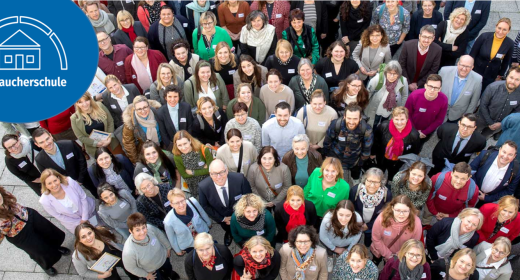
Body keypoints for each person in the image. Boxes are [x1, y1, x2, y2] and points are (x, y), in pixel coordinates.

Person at [0, 187, 69, 277]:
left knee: (49, 233)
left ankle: (56, 247)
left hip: (28, 215)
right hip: (18, 234)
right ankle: (45, 265)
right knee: (38, 250)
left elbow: (13, 200)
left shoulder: (3, 194)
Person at [198, 159, 252, 246]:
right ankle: (230, 233)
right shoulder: (203, 187)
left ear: (227, 171)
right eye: (214, 173)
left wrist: (237, 217)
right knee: (228, 228)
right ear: (210, 174)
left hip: (241, 215)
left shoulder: (240, 179)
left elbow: (248, 198)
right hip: (223, 218)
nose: (218, 177)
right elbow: (205, 205)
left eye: (221, 172)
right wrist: (222, 218)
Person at [33, 128, 98, 198]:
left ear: (51, 136)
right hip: (64, 185)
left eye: (47, 139)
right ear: (37, 144)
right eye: (41, 142)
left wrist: (80, 179)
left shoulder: (69, 144)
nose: (46, 143)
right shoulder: (39, 160)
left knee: (94, 190)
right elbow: (48, 177)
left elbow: (81, 160)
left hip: (83, 176)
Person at [323, 104, 373, 185]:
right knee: (334, 180)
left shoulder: (366, 129)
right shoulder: (336, 125)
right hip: (336, 158)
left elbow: (366, 150)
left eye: (355, 119)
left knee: (355, 180)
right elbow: (327, 142)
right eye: (349, 118)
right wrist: (328, 157)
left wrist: (359, 163)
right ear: (344, 116)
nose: (352, 122)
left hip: (355, 160)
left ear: (360, 118)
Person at [122, 213, 180, 280]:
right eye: (137, 230)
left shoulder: (150, 228)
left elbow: (159, 234)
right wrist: (146, 275)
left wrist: (168, 247)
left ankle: (169, 274)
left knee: (168, 269)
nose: (142, 232)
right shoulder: (129, 251)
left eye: (143, 227)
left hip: (163, 258)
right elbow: (130, 267)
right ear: (131, 231)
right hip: (150, 271)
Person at [72, 222, 139, 280]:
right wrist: (102, 276)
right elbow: (83, 273)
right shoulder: (78, 256)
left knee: (130, 270)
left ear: (93, 231)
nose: (88, 238)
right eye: (83, 237)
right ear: (79, 240)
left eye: (89, 233)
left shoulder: (102, 232)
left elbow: (114, 241)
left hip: (118, 256)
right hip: (105, 270)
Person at [39, 169, 97, 233]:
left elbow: (83, 197)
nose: (54, 185)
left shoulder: (70, 182)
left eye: (55, 180)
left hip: (88, 212)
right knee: (86, 237)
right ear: (45, 185)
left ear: (58, 178)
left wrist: (85, 217)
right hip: (74, 224)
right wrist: (80, 222)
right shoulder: (44, 201)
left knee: (97, 228)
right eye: (49, 183)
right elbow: (58, 216)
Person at [370, 195, 422, 265]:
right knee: (375, 263)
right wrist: (388, 255)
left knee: (388, 271)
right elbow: (376, 238)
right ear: (392, 208)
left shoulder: (416, 223)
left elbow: (412, 244)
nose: (401, 214)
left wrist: (396, 256)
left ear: (410, 210)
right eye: (398, 210)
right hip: (379, 251)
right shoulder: (382, 218)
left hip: (398, 256)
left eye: (405, 211)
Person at [372, 106, 420, 179]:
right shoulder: (383, 126)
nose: (399, 123)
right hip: (382, 157)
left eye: (402, 119)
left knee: (393, 174)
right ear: (392, 118)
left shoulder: (414, 135)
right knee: (380, 172)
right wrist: (373, 153)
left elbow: (415, 151)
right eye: (396, 119)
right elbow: (376, 140)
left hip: (398, 162)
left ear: (407, 119)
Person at [349, 167, 393, 248]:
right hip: (357, 222)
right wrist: (357, 221)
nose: (372, 185)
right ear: (365, 179)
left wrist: (369, 225)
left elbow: (386, 213)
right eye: (369, 181)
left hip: (373, 225)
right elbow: (351, 207)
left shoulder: (387, 195)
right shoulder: (355, 190)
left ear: (382, 182)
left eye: (376, 182)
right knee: (354, 239)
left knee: (368, 240)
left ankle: (367, 246)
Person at [470, 18, 514, 92]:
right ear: (496, 26)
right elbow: (473, 53)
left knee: (484, 93)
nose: (500, 31)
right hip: (476, 70)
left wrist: (500, 75)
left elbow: (506, 62)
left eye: (504, 29)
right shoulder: (484, 36)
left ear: (508, 31)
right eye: (499, 28)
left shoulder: (510, 44)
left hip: (491, 75)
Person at [164, 188, 212, 255]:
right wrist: (177, 250)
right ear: (171, 204)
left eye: (182, 200)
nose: (181, 205)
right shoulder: (168, 221)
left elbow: (202, 212)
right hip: (189, 245)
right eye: (177, 203)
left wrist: (208, 223)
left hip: (203, 234)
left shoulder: (193, 202)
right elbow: (171, 238)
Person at [70, 92, 120, 157]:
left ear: (90, 99)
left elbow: (110, 121)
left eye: (86, 100)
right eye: (80, 102)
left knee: (122, 160)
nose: (84, 104)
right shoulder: (74, 118)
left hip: (112, 143)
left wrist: (109, 138)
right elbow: (81, 137)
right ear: (77, 104)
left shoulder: (100, 105)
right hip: (95, 149)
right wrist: (96, 143)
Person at [476, 66, 520, 139]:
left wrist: (502, 123)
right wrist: (490, 122)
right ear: (506, 76)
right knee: (473, 135)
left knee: (484, 139)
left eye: (517, 79)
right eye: (511, 78)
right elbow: (483, 105)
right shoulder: (492, 87)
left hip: (498, 125)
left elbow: (516, 112)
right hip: (482, 120)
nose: (512, 82)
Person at [405, 74, 448, 145]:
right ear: (425, 85)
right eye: (430, 86)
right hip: (410, 127)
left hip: (426, 132)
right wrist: (413, 130)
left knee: (418, 146)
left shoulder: (443, 100)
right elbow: (407, 113)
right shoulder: (414, 95)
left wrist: (424, 132)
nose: (432, 90)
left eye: (436, 88)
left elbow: (439, 120)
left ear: (440, 89)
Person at [121, 95, 165, 164]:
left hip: (162, 147)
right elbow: (128, 144)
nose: (143, 111)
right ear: (135, 109)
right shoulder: (130, 122)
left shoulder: (157, 113)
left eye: (145, 107)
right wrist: (137, 162)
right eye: (139, 109)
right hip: (147, 154)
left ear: (149, 106)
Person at [438, 56, 483, 123]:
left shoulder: (478, 79)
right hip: (439, 111)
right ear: (458, 64)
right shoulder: (444, 71)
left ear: (472, 67)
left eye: (468, 66)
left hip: (458, 116)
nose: (464, 69)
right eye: (462, 65)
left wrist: (466, 117)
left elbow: (474, 102)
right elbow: (436, 89)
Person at [365, 61, 409, 128]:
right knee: (373, 124)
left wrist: (400, 109)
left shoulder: (403, 81)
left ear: (399, 74)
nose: (392, 76)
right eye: (389, 73)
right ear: (386, 72)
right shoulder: (377, 79)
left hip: (390, 111)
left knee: (385, 126)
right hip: (376, 109)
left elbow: (405, 95)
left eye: (394, 74)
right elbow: (368, 93)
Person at [399, 25, 442, 92]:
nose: (426, 40)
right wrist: (408, 83)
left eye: (429, 37)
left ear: (433, 38)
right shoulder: (407, 45)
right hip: (405, 80)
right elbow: (401, 65)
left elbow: (433, 70)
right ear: (419, 36)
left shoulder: (437, 50)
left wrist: (418, 84)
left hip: (422, 85)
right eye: (424, 36)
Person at [172, 130, 213, 197]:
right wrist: (202, 169)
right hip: (194, 189)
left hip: (209, 183)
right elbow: (184, 175)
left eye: (185, 143)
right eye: (179, 145)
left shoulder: (203, 149)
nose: (183, 148)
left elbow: (211, 169)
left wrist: (193, 172)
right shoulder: (177, 156)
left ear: (190, 141)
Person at [155, 85, 193, 150]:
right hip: (172, 146)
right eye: (169, 97)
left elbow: (190, 127)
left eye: (175, 96)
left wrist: (187, 143)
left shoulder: (186, 107)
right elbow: (163, 135)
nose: (172, 99)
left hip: (188, 142)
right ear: (165, 97)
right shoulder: (160, 113)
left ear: (179, 97)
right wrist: (174, 148)